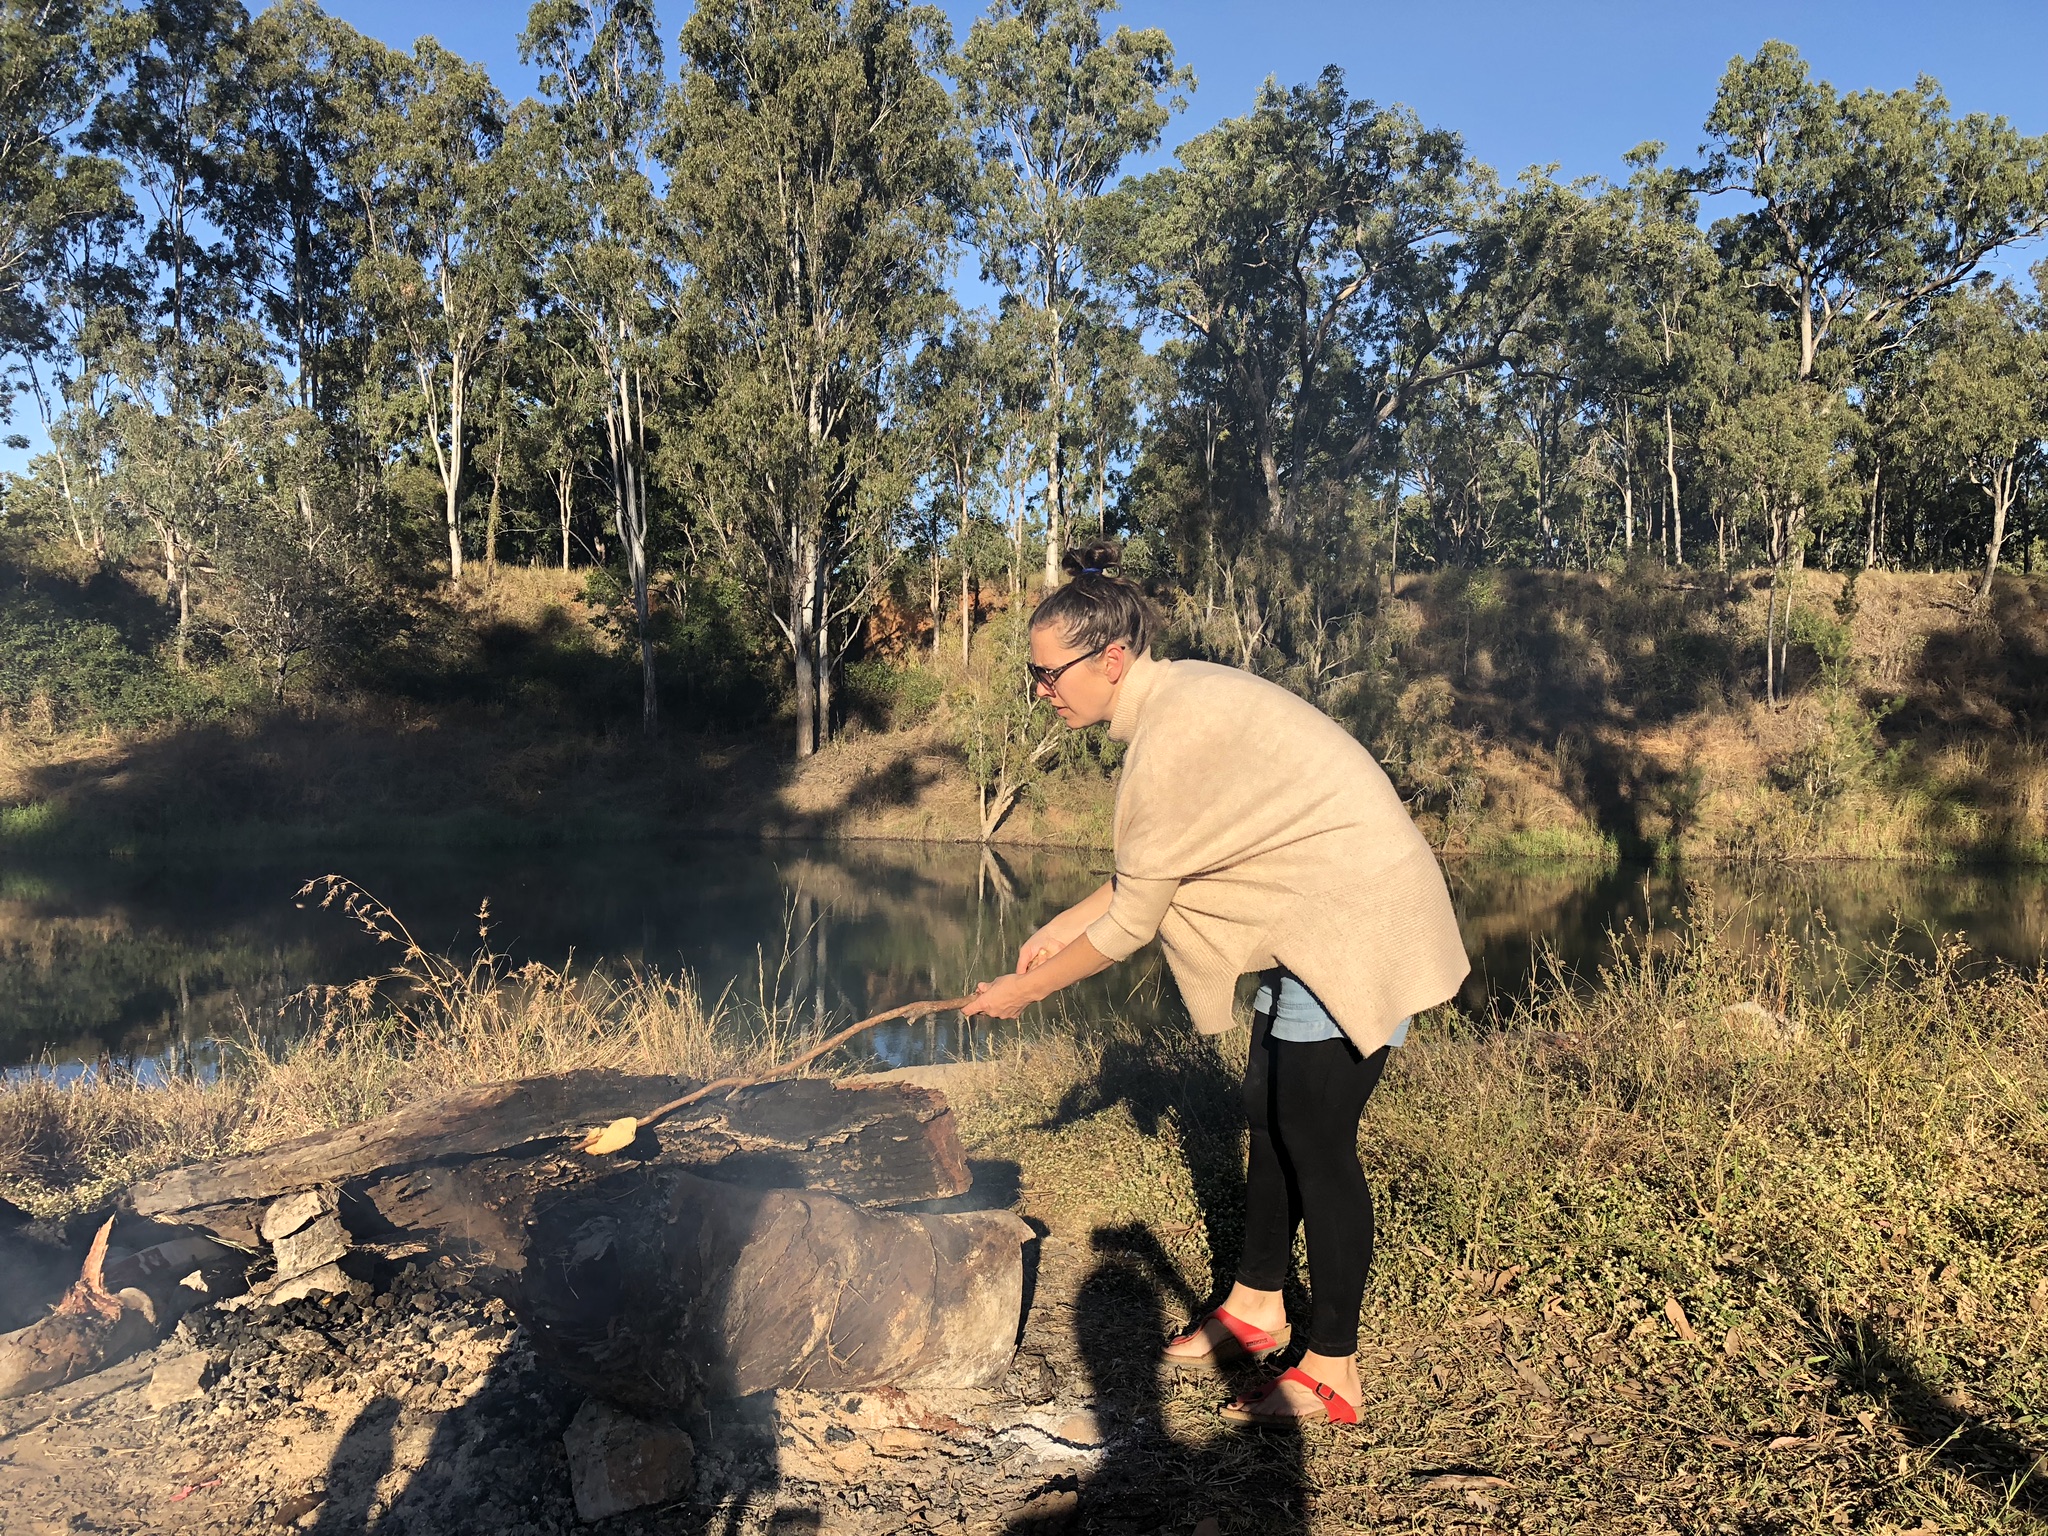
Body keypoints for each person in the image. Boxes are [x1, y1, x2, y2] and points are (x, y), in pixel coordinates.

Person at [961, 540, 1469, 1426]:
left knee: (1316, 1141)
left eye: (1049, 675)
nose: (1041, 692)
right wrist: (1060, 925)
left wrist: (1026, 991)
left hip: (1354, 923)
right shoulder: (1175, 700)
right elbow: (1160, 865)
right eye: (1033, 675)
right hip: (1311, 921)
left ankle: (1335, 1368)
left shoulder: (1171, 732)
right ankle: (1256, 1308)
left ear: (1110, 660)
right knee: (1268, 1114)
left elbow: (1133, 923)